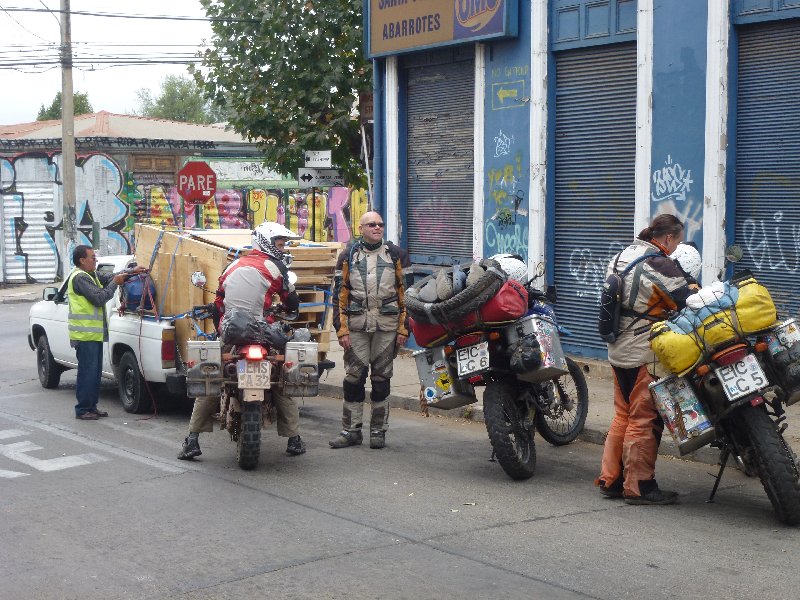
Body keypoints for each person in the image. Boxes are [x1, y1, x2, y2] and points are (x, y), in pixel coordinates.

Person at [178, 222, 305, 460]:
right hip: (262, 332)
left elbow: (219, 305)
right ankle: (294, 439)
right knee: (280, 378)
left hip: (232, 333)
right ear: (266, 243)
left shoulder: (232, 265)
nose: (283, 247)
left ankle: (192, 440)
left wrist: (221, 331)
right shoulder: (277, 267)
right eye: (280, 243)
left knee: (212, 378)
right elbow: (292, 303)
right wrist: (282, 308)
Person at [596, 214, 696, 505]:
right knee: (644, 419)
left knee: (623, 415)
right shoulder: (659, 263)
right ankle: (639, 486)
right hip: (643, 351)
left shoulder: (620, 255)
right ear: (668, 239)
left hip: (617, 348)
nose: (676, 248)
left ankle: (610, 479)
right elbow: (687, 300)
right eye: (677, 241)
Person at [329, 211, 412, 450]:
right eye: (372, 224)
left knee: (381, 378)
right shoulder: (347, 256)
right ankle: (351, 430)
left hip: (387, 327)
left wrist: (404, 329)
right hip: (356, 328)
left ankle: (378, 431)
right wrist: (341, 330)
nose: (377, 228)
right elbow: (339, 296)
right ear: (361, 228)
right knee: (354, 377)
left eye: (380, 224)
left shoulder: (397, 255)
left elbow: (407, 295)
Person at [67, 245, 147, 420]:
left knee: (94, 374)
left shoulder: (92, 275)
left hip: (92, 335)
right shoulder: (80, 278)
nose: (96, 260)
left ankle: (91, 407)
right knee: (87, 373)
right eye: (93, 257)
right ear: (82, 260)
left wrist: (132, 271)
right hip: (84, 336)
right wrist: (114, 284)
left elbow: (112, 276)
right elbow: (99, 298)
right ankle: (83, 409)